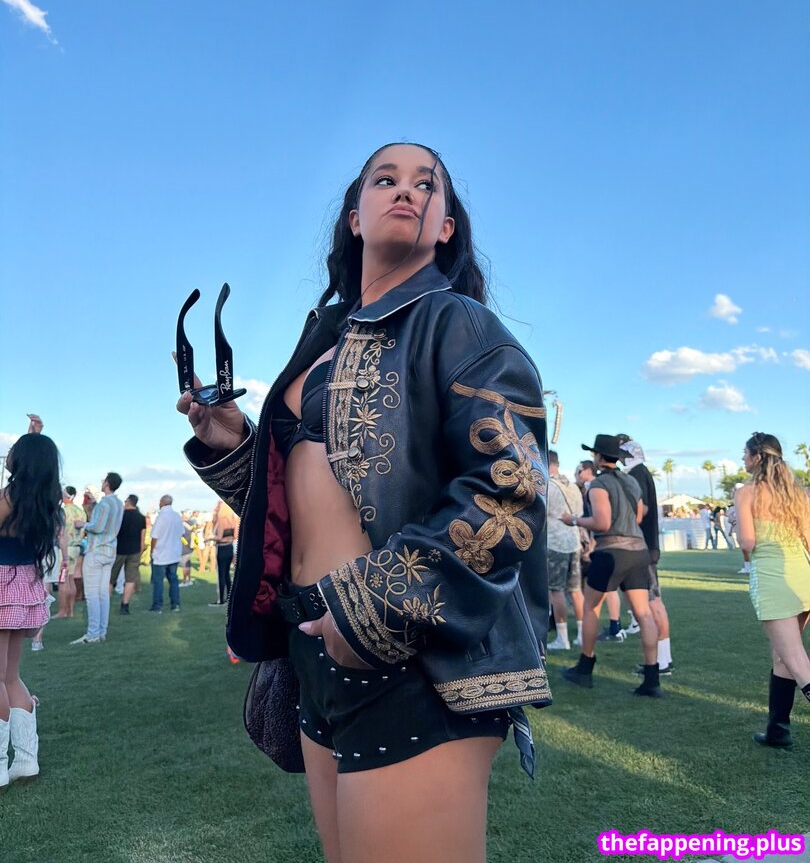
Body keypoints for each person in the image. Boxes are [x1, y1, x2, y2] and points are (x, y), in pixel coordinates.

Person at [178, 142, 550, 863]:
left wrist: (377, 605)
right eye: (386, 179)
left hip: (414, 655)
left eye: (425, 185)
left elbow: (511, 489)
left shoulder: (458, 324)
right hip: (311, 646)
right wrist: (235, 443)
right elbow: (297, 505)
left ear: (446, 226)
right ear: (354, 216)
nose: (405, 190)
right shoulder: (323, 339)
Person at [560, 434, 662, 697]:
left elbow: (602, 523)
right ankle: (652, 678)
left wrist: (574, 520)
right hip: (638, 551)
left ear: (597, 456)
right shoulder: (630, 481)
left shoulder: (598, 484)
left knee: (591, 607)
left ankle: (585, 668)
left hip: (611, 552)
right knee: (644, 613)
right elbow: (640, 515)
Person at [734, 432, 810, 747]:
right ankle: (778, 731)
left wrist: (737, 527)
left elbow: (748, 542)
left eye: (744, 453)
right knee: (783, 657)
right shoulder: (797, 494)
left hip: (773, 581)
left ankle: (778, 730)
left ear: (756, 457)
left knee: (796, 660)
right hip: (803, 579)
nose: (742, 458)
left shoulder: (746, 492)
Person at [0, 415, 64, 786]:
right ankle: (25, 759)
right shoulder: (43, 499)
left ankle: (2, 765)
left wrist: (28, 445)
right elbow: (32, 464)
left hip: (2, 583)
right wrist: (33, 440)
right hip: (22, 585)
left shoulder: (8, 498)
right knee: (10, 676)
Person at [617, 436, 674, 676]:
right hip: (648, 546)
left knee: (652, 604)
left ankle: (661, 662)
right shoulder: (643, 472)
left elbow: (641, 509)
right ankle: (664, 659)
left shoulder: (637, 474)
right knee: (654, 602)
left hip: (642, 547)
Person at [70, 474, 124, 645]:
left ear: (107, 483)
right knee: (103, 594)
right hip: (110, 551)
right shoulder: (119, 503)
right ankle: (101, 631)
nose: (102, 482)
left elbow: (97, 527)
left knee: (92, 594)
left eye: (103, 480)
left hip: (97, 550)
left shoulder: (104, 503)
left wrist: (82, 525)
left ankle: (93, 633)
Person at [545, 451, 584, 650]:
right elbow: (580, 514)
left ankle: (563, 638)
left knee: (556, 590)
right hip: (574, 541)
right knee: (575, 590)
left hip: (555, 542)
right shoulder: (574, 487)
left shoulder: (548, 486)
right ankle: (582, 634)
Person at [110, 494, 146, 615]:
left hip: (119, 550)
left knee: (111, 578)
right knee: (130, 579)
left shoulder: (120, 516)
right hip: (134, 551)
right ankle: (125, 604)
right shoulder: (141, 517)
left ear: (128, 502)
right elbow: (142, 538)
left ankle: (105, 601)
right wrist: (140, 552)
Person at [149, 495, 184, 613]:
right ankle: (175, 604)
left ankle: (157, 605)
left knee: (158, 581)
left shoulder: (161, 517)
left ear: (162, 502)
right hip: (174, 553)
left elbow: (154, 537)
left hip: (161, 554)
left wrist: (152, 551)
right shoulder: (176, 516)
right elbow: (181, 532)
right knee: (173, 580)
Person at [56, 487, 85, 618]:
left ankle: (63, 610)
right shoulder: (81, 511)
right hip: (77, 547)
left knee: (63, 580)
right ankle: (71, 610)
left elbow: (60, 532)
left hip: (65, 548)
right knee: (71, 579)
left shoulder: (63, 511)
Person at [210, 500, 239, 606]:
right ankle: (229, 598)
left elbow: (219, 537)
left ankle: (221, 599)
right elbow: (235, 536)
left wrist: (210, 538)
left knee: (221, 574)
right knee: (227, 574)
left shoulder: (222, 520)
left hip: (222, 548)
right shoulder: (232, 520)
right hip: (229, 547)